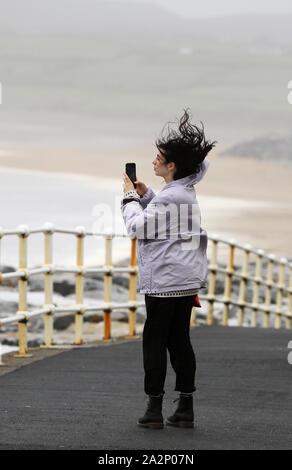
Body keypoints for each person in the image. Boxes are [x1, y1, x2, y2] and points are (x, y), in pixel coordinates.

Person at [121, 109, 216, 429]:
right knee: (179, 340)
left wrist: (129, 199)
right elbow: (165, 221)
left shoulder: (171, 197)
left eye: (159, 158)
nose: (154, 161)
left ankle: (153, 409)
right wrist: (147, 194)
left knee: (154, 340)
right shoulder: (183, 192)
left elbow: (138, 228)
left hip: (164, 280)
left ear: (172, 165)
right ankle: (185, 407)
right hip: (185, 279)